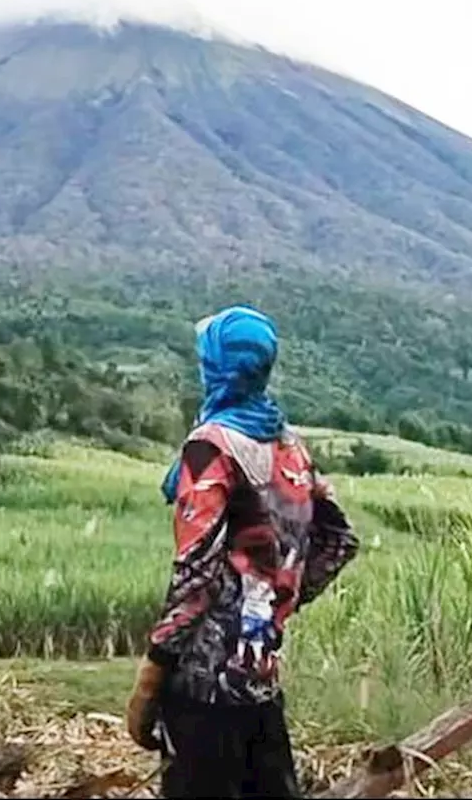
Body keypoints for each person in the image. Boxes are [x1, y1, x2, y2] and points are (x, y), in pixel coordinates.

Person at [125, 304, 359, 798]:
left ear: (217, 366)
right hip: (260, 674)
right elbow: (339, 540)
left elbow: (196, 573)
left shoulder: (212, 445)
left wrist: (150, 677)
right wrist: (276, 601)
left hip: (202, 683)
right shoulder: (288, 444)